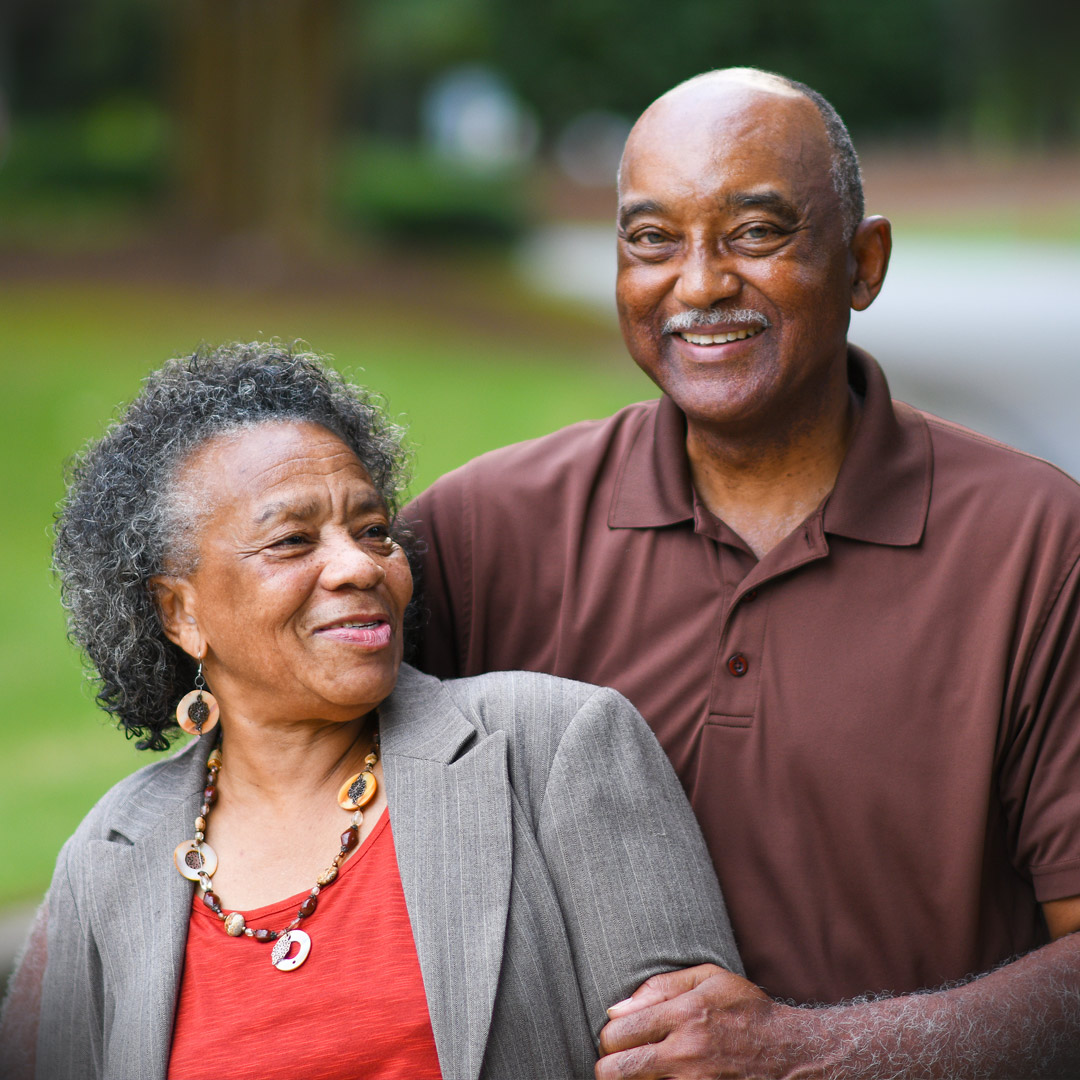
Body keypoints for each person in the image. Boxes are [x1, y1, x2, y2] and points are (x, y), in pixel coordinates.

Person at [404, 68, 1080, 1077]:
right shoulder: (480, 531)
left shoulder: (1038, 544)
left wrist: (808, 1053)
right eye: (651, 239)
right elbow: (268, 788)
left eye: (757, 232)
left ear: (864, 261)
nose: (700, 282)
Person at [0, 342, 740, 1080]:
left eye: (372, 530)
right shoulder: (110, 854)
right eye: (292, 541)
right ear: (181, 612)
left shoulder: (553, 748)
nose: (359, 566)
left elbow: (701, 1064)